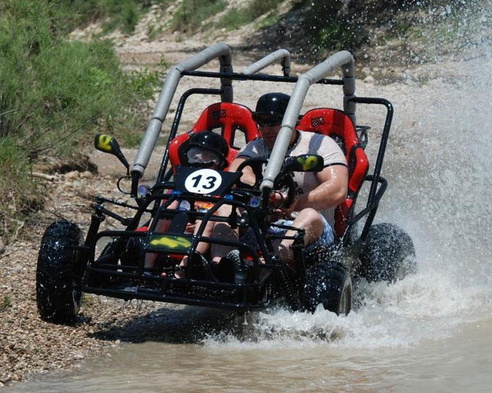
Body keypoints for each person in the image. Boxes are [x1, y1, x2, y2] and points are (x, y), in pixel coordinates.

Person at [214, 92, 348, 269]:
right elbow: (237, 171)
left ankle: (267, 269)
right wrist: (262, 191)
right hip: (262, 226)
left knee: (309, 215)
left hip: (310, 231)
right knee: (224, 208)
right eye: (261, 123)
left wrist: (293, 202)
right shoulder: (256, 146)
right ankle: (220, 266)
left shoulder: (319, 144)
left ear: (291, 121)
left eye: (272, 122)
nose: (266, 129)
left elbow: (338, 189)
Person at [144, 130, 229, 277]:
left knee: (206, 220)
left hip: (205, 230)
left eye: (208, 158)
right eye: (195, 155)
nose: (200, 161)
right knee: (162, 213)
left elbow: (220, 212)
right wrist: (170, 212)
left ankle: (181, 270)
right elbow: (171, 206)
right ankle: (146, 269)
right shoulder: (184, 182)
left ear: (219, 163)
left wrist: (196, 223)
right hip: (179, 226)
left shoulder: (221, 187)